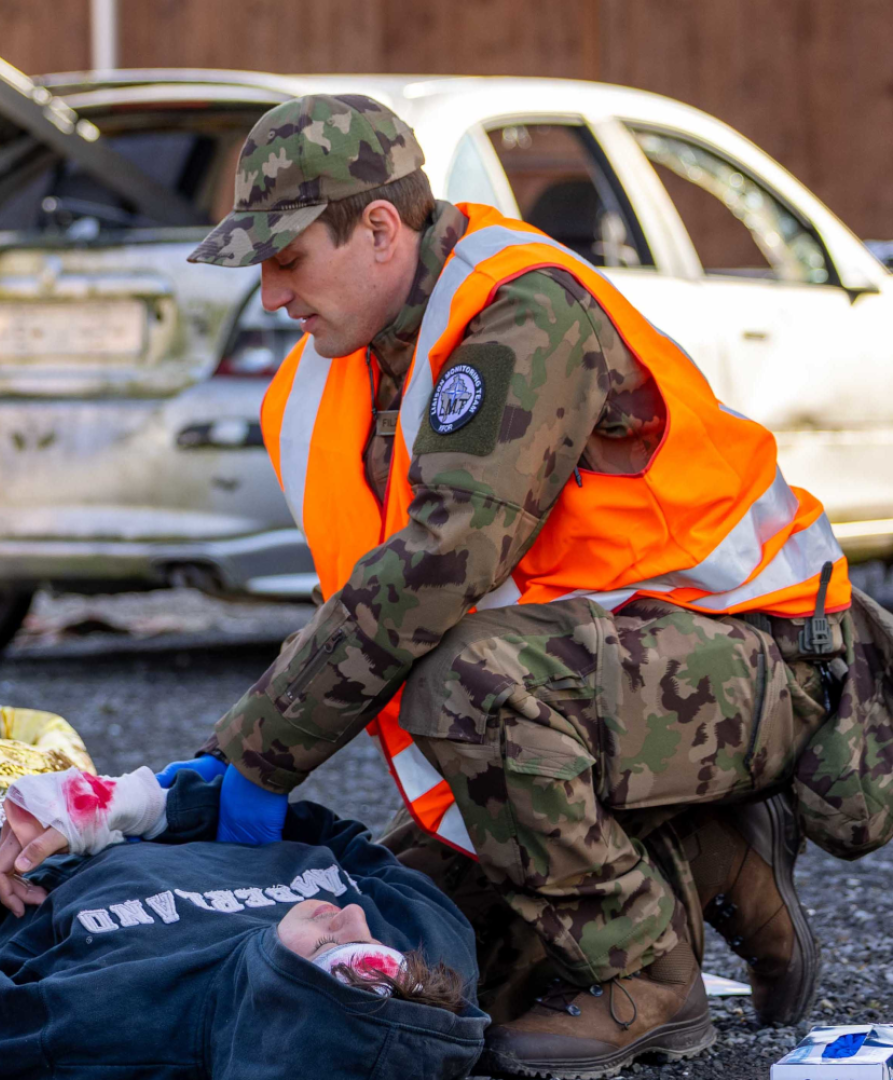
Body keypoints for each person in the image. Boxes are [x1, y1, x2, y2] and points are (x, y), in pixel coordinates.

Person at [160, 93, 893, 1077]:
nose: (271, 295)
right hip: (597, 681)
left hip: (757, 655)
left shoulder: (521, 314)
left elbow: (437, 567)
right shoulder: (326, 382)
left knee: (462, 685)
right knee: (409, 931)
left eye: (287, 259)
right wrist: (217, 761)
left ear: (380, 229)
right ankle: (720, 854)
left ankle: (644, 977)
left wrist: (259, 755)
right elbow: (357, 602)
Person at [0, 768, 490, 1079]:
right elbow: (335, 833)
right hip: (103, 810)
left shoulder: (113, 1023)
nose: (351, 916)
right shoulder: (427, 959)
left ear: (282, 1009)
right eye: (371, 943)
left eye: (334, 947)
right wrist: (131, 805)